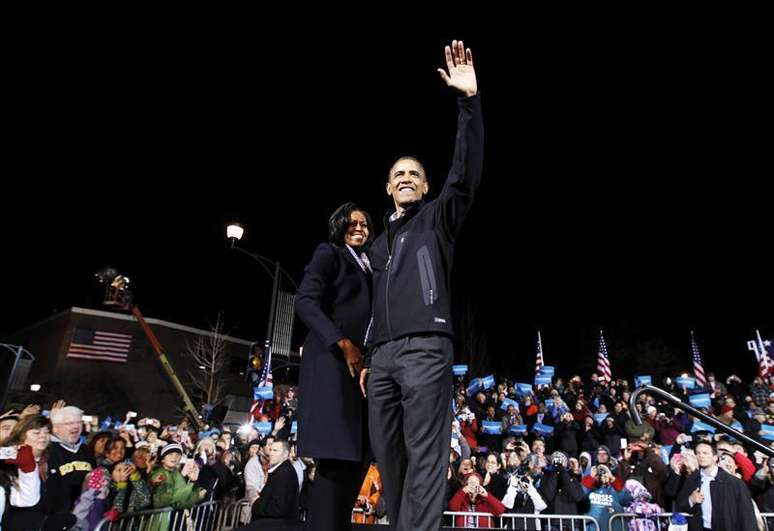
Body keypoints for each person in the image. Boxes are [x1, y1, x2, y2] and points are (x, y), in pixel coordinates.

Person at [361, 39, 484, 531]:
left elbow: (465, 175)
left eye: (415, 173)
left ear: (426, 186)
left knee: (426, 456)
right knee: (388, 459)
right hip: (383, 358)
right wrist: (366, 353)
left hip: (426, 351)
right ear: (388, 187)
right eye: (399, 174)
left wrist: (468, 103)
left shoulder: (438, 219)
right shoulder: (375, 246)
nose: (407, 177)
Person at [295, 201, 374, 530]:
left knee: (356, 462)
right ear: (339, 226)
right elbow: (305, 301)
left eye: (365, 224)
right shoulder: (329, 253)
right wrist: (341, 343)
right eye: (351, 223)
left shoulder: (370, 265)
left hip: (359, 375)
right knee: (335, 461)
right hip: (332, 367)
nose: (359, 228)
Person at [675, 440, 757, 531]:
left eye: (705, 453)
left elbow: (747, 516)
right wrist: (691, 500)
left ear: (715, 457)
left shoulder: (734, 483)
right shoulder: (692, 480)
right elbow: (680, 505)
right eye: (698, 453)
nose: (701, 456)